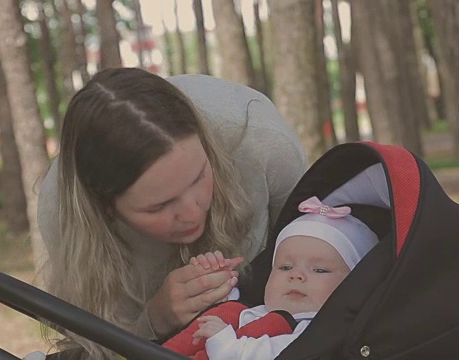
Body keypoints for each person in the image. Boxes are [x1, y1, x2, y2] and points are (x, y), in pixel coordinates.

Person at [36, 67, 307, 358]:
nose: (191, 213)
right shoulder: (64, 213)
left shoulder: (259, 140)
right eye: (159, 206)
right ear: (105, 207)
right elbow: (95, 347)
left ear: (207, 145)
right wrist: (155, 319)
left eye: (199, 177)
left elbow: (317, 249)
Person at [161, 196, 380, 359]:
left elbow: (281, 352)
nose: (296, 275)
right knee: (230, 310)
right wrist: (216, 283)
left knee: (275, 321)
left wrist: (226, 343)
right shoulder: (252, 311)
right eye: (285, 267)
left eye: (320, 270)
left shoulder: (318, 332)